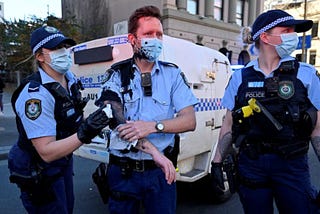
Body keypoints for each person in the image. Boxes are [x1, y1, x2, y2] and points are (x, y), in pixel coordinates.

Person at [212, 9, 320, 214]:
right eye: (287, 30)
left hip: (292, 165)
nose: (293, 36)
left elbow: (317, 129)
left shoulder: (306, 75)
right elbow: (228, 124)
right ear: (265, 37)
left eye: (293, 31)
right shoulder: (240, 78)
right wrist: (217, 163)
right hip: (251, 164)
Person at [95, 5, 198, 214]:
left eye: (159, 34)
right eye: (148, 34)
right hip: (123, 172)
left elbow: (189, 121)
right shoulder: (116, 75)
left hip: (159, 174)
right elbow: (118, 122)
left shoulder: (173, 75)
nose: (156, 39)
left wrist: (152, 126)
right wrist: (153, 152)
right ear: (132, 39)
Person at [8, 26, 112, 214]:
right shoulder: (35, 95)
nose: (64, 52)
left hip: (62, 162)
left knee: (66, 208)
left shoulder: (70, 80)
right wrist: (85, 132)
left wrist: (97, 120)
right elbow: (46, 151)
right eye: (56, 48)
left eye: (65, 46)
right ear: (40, 56)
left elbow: (69, 118)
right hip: (39, 169)